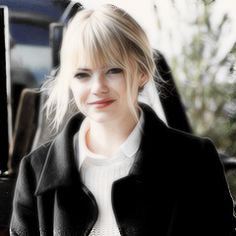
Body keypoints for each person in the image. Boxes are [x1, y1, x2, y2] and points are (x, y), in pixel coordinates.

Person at [10, 4, 235, 236]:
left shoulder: (195, 161)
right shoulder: (34, 172)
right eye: (82, 74)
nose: (98, 88)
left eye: (113, 70)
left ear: (142, 72)